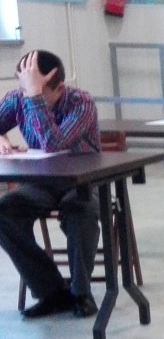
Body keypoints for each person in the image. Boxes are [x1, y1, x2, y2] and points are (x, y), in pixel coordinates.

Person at [0, 49, 102, 319]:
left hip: (81, 181)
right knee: (4, 211)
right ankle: (52, 291)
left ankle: (81, 293)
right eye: (24, 88)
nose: (27, 97)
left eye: (36, 92)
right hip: (42, 183)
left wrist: (34, 97)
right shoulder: (19, 98)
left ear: (60, 88)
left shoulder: (81, 103)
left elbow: (53, 143)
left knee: (80, 208)